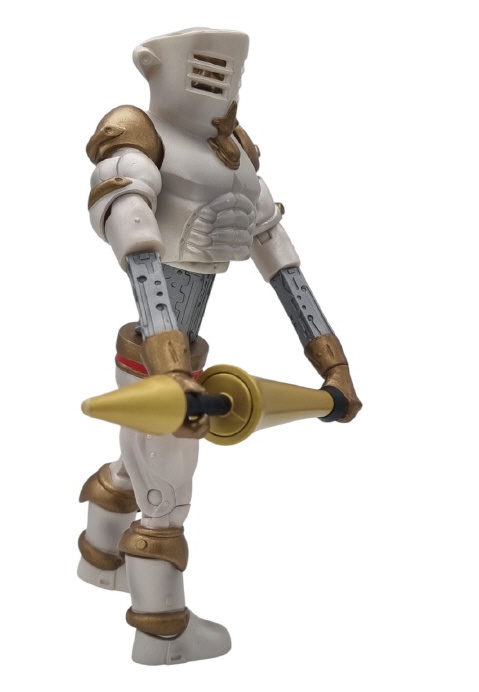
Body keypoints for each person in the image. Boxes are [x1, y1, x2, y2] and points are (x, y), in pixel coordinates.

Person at [78, 27, 362, 666]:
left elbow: (280, 258)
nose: (222, 71)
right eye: (206, 61)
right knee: (166, 492)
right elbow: (136, 238)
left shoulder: (233, 155)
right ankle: (162, 633)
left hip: (176, 355)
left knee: (139, 463)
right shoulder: (140, 137)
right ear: (151, 65)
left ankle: (99, 560)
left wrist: (331, 362)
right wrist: (171, 366)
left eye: (232, 63)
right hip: (159, 359)